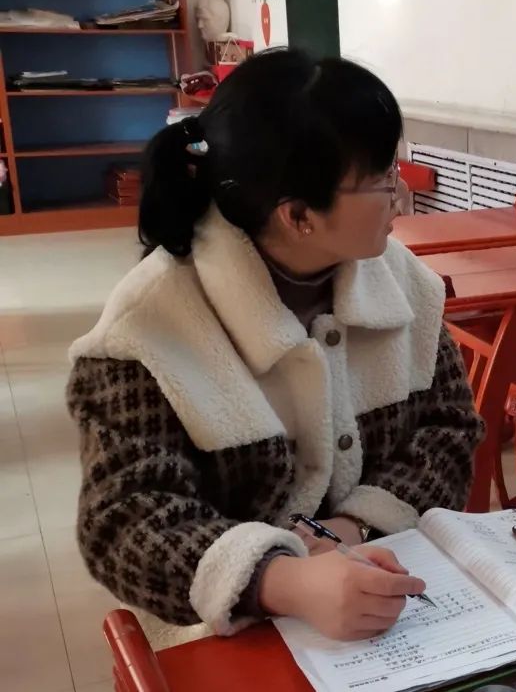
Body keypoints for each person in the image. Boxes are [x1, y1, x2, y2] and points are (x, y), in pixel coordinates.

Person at [67, 49, 484, 641]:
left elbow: (449, 431)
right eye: (380, 178)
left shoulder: (402, 282)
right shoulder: (149, 327)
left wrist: (352, 527)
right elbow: (123, 522)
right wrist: (280, 579)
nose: (399, 193)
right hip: (235, 630)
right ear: (298, 215)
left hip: (394, 600)